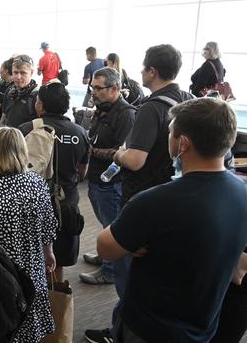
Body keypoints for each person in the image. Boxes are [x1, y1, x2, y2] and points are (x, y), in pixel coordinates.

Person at [97, 98, 247, 342]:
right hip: (204, 326)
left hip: (151, 328)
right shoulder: (242, 193)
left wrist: (139, 240)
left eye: (170, 133)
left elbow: (105, 248)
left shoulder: (155, 202)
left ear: (183, 143)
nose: (169, 137)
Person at [0, 127, 57, 342]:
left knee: (4, 327)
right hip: (33, 271)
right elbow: (48, 226)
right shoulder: (37, 183)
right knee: (29, 327)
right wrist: (49, 252)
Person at [78, 68, 137, 343]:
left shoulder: (126, 114)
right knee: (104, 223)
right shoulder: (101, 110)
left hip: (110, 182)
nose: (94, 92)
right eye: (92, 88)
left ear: (115, 88)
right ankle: (105, 259)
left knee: (112, 228)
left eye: (98, 88)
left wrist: (96, 152)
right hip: (97, 180)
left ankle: (110, 271)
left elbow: (123, 152)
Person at [19, 81, 89, 282]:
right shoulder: (79, 132)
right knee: (56, 260)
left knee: (29, 257)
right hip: (67, 203)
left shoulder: (26, 129)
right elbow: (82, 172)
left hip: (31, 200)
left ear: (40, 104)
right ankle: (55, 306)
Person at [113, 44, 194, 205]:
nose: (141, 72)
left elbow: (135, 161)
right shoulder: (189, 99)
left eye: (144, 68)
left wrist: (119, 154)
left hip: (143, 195)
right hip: (173, 189)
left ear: (152, 71)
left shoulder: (150, 108)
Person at [1, 55, 39, 128]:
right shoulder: (9, 91)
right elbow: (4, 117)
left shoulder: (37, 96)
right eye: (15, 72)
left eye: (23, 73)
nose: (18, 77)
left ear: (31, 72)